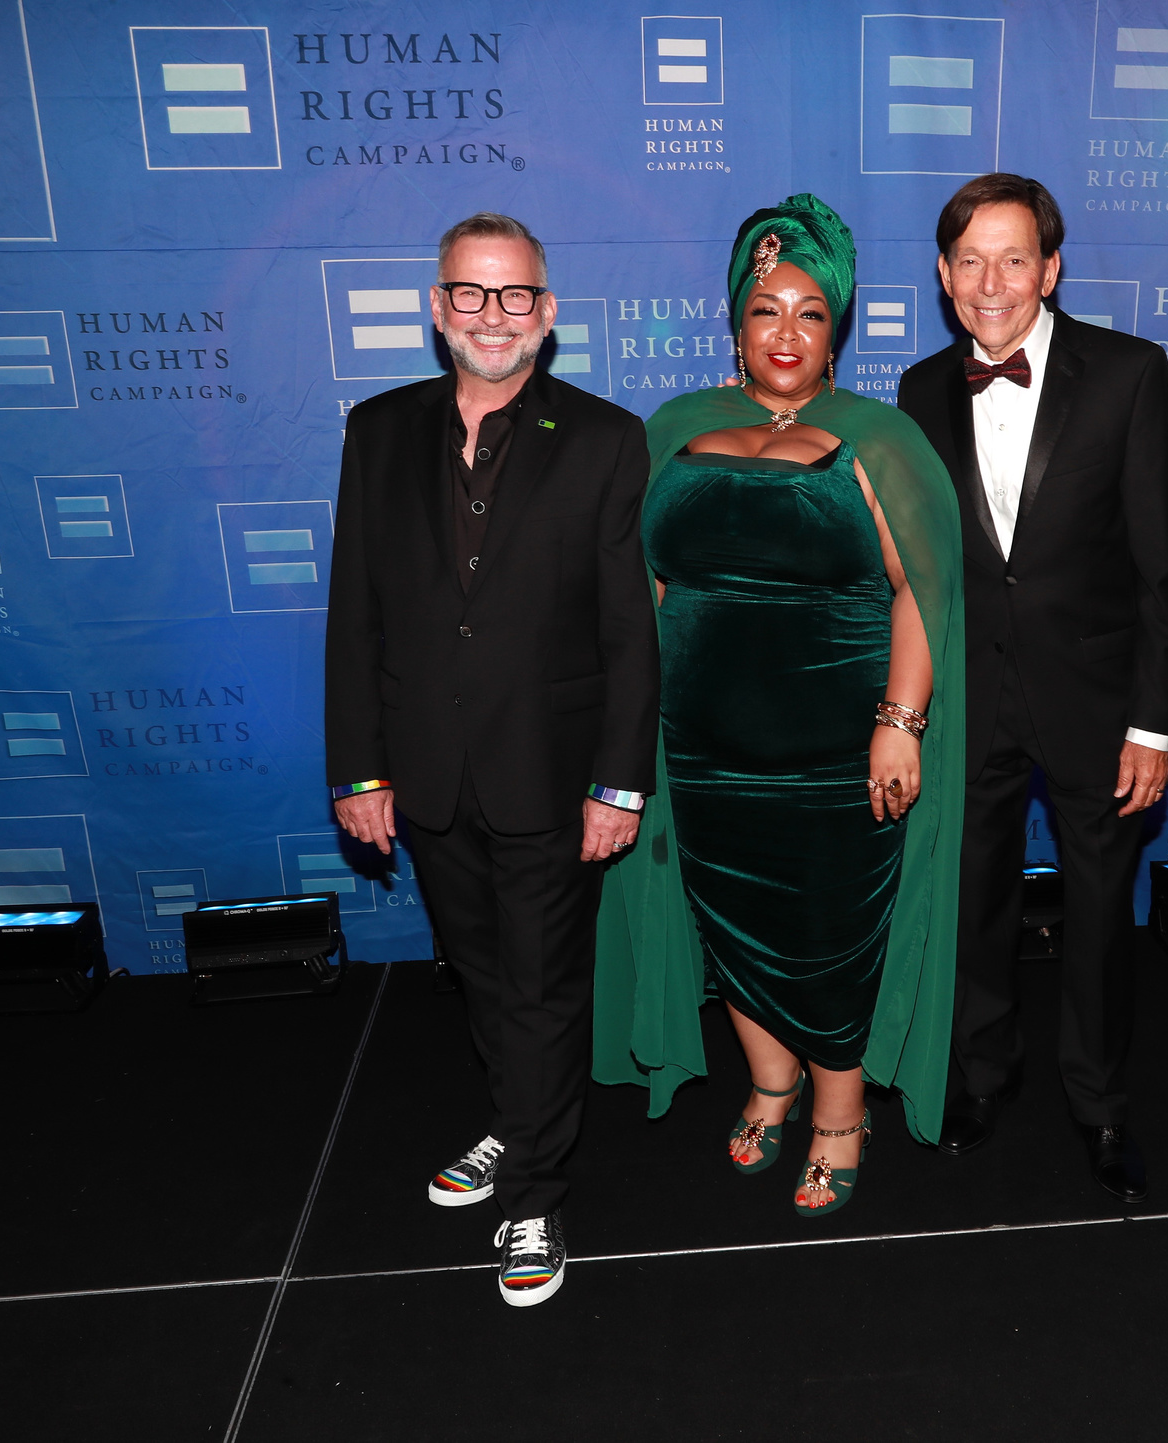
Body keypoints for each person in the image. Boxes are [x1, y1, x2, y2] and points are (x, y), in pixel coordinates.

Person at [591, 195, 965, 1216]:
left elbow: (920, 592)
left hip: (835, 753)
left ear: (837, 327)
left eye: (810, 312)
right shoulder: (673, 431)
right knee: (727, 924)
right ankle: (770, 1082)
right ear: (735, 323)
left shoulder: (880, 439)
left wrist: (899, 724)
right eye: (765, 310)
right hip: (700, 750)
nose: (786, 333)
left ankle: (840, 1113)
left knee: (829, 936)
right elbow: (638, 592)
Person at [324, 212, 658, 1306]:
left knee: (545, 987)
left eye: (514, 295)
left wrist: (618, 782)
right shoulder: (378, 431)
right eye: (470, 293)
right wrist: (360, 769)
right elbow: (354, 612)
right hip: (426, 771)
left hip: (555, 774)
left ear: (547, 313)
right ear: (438, 308)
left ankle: (534, 1196)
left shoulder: (606, 439)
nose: (493, 315)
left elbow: (629, 632)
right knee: (482, 976)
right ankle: (519, 1123)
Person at [896, 174, 1168, 1201]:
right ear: (943, 276)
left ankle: (1100, 1104)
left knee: (1100, 917)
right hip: (967, 702)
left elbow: (1161, 568)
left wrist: (1154, 725)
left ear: (1050, 269)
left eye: (1013, 259)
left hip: (1097, 704)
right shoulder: (918, 391)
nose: (991, 284)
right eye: (969, 261)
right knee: (971, 904)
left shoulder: (1127, 373)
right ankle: (983, 1075)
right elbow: (917, 573)